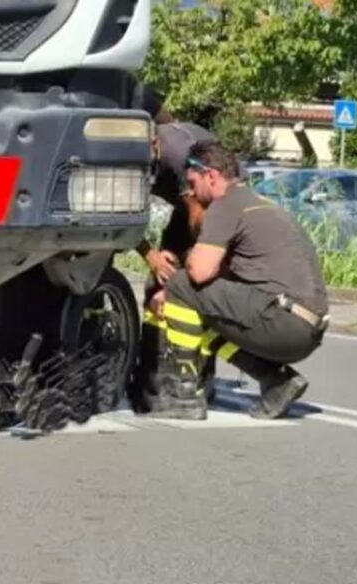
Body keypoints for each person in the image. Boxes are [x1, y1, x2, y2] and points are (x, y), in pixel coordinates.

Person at [150, 140, 329, 420]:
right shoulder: (259, 204)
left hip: (282, 320)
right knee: (200, 311)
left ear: (211, 176)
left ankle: (182, 396)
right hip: (306, 327)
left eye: (193, 183)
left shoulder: (225, 205)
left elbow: (199, 272)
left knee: (181, 285)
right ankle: (276, 381)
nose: (190, 193)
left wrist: (172, 290)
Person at [125, 86, 221, 413]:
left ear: (155, 143)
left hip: (210, 208)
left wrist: (189, 264)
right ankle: (151, 372)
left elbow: (199, 218)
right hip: (182, 208)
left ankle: (199, 378)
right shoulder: (127, 155)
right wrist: (151, 255)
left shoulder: (181, 154)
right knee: (156, 284)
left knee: (190, 285)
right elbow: (124, 216)